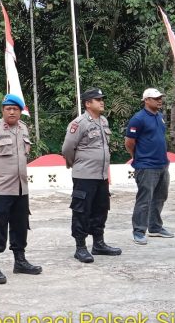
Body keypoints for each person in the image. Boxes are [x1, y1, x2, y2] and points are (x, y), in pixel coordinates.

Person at [0, 94, 42, 284]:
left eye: (15, 109)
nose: (11, 111)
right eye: (7, 108)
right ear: (2, 110)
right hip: (0, 190)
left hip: (21, 189)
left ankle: (20, 261)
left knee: (21, 226)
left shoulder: (23, 128)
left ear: (20, 111)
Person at [62, 88, 122, 263]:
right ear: (88, 103)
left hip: (101, 175)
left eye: (102, 99)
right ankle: (80, 247)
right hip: (85, 175)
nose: (102, 102)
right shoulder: (79, 123)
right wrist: (79, 164)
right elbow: (67, 149)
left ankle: (98, 243)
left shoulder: (103, 121)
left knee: (101, 209)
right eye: (97, 99)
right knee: (81, 210)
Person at [125, 87, 173, 245]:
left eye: (160, 97)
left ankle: (155, 227)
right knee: (144, 199)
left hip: (162, 164)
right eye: (155, 98)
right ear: (146, 100)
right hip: (146, 166)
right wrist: (137, 158)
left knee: (160, 197)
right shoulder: (138, 119)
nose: (159, 100)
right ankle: (139, 231)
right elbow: (129, 142)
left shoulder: (160, 116)